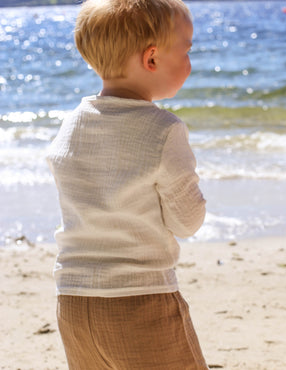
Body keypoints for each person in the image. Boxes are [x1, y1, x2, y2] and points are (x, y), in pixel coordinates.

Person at [46, 0, 208, 368]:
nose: (190, 62)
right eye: (187, 50)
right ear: (152, 59)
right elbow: (187, 222)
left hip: (73, 301)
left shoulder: (72, 124)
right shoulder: (163, 129)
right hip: (140, 300)